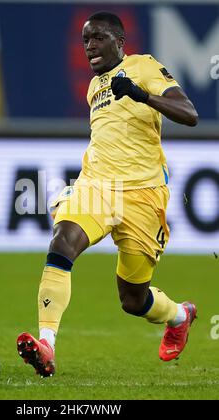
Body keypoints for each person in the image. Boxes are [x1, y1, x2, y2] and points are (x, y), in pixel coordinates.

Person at [17, 11, 199, 378]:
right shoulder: (94, 87)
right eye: (86, 40)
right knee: (62, 241)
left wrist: (141, 94)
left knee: (133, 300)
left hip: (144, 195)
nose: (90, 46)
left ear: (120, 40)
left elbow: (189, 113)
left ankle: (180, 316)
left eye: (98, 37)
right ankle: (47, 344)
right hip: (98, 186)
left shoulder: (143, 66)